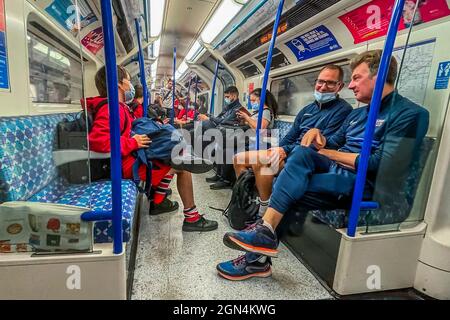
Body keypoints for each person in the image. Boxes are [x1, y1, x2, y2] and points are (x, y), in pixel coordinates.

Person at [216, 50, 429, 280]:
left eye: (357, 78)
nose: (352, 85)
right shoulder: (357, 115)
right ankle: (263, 235)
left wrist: (327, 152)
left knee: (293, 188)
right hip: (335, 171)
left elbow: (381, 164)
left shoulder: (411, 114)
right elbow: (333, 142)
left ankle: (259, 249)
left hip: (364, 182)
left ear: (378, 77)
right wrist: (319, 136)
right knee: (301, 155)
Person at [86, 65, 218, 232]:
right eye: (128, 80)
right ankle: (191, 218)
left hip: (122, 159)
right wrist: (132, 143)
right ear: (119, 84)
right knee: (181, 167)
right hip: (119, 166)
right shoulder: (112, 109)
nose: (130, 85)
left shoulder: (118, 107)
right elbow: (98, 141)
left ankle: (159, 201)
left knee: (172, 157)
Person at [233, 65, 352, 217]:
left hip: (310, 157)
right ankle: (246, 199)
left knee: (263, 162)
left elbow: (325, 143)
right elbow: (290, 136)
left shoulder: (343, 110)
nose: (323, 87)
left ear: (339, 86)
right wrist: (277, 149)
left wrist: (285, 150)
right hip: (290, 151)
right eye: (320, 81)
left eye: (330, 83)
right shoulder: (307, 110)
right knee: (238, 159)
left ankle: (263, 211)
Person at [209, 88, 279, 190]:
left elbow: (260, 128)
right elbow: (251, 124)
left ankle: (226, 180)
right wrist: (244, 120)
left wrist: (247, 117)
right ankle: (220, 176)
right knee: (223, 148)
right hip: (249, 138)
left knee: (225, 148)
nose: (252, 103)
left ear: (261, 99)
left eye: (253, 100)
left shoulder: (266, 112)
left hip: (258, 143)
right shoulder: (258, 112)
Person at [198, 86, 243, 183]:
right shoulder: (228, 107)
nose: (226, 99)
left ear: (234, 96)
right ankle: (217, 173)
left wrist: (209, 118)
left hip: (227, 131)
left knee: (204, 124)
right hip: (221, 129)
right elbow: (219, 118)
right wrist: (210, 117)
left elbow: (223, 121)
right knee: (200, 128)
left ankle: (205, 161)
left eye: (227, 97)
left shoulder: (237, 109)